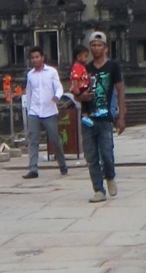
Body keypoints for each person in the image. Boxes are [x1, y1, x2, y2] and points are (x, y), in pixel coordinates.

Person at [76, 30, 123, 201]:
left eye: (99, 45)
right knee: (91, 155)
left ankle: (109, 175)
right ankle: (98, 189)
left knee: (106, 154)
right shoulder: (84, 69)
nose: (96, 48)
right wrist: (81, 97)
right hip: (88, 118)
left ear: (105, 48)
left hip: (105, 118)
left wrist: (121, 116)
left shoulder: (113, 67)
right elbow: (75, 91)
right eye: (93, 45)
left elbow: (120, 89)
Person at [21, 45, 69, 178]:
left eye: (37, 57)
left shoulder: (52, 72)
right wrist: (29, 109)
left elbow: (59, 88)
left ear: (42, 58)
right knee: (33, 139)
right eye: (32, 58)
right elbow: (29, 92)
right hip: (34, 111)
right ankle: (33, 168)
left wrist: (57, 97)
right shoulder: (30, 75)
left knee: (54, 139)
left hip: (49, 110)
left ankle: (62, 164)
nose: (35, 60)